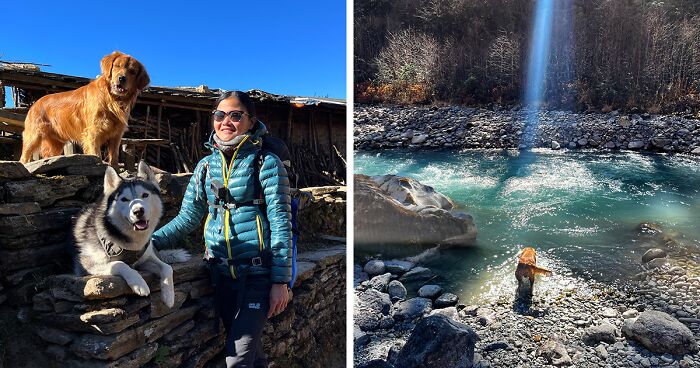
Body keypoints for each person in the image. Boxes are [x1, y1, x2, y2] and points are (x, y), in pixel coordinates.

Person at [152, 90, 292, 367]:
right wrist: (149, 243)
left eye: (236, 115)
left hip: (257, 275)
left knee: (236, 360)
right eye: (220, 115)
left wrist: (280, 281)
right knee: (251, 355)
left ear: (251, 122)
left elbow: (280, 222)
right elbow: (187, 218)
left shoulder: (266, 163)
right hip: (221, 274)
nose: (226, 121)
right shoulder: (205, 167)